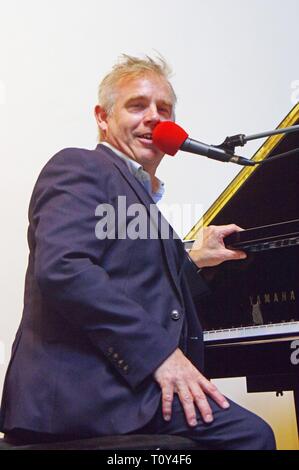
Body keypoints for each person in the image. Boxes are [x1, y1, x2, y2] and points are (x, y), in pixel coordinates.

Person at [0, 54, 275, 449]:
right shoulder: (79, 167)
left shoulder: (143, 200)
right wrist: (160, 355)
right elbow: (65, 268)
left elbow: (134, 282)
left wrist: (195, 260)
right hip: (86, 395)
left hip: (124, 390)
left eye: (163, 109)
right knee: (250, 437)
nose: (153, 117)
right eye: (137, 105)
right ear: (102, 117)